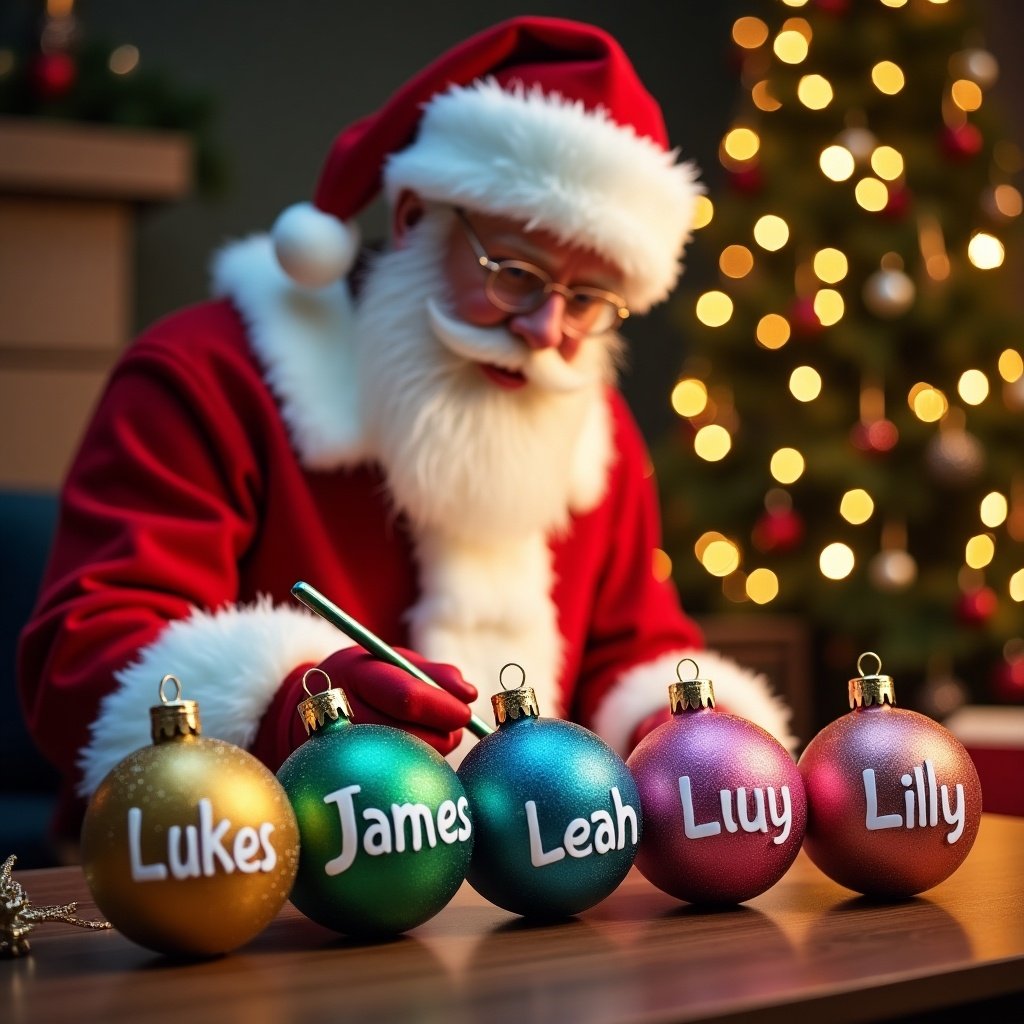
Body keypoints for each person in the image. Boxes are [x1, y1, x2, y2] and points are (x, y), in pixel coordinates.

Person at [18, 16, 794, 844]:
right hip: (228, 876)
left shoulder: (591, 427)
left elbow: (633, 653)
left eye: (591, 299)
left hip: (524, 892)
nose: (544, 331)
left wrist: (675, 749)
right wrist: (299, 706)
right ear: (414, 216)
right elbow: (87, 664)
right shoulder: (206, 376)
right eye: (515, 274)